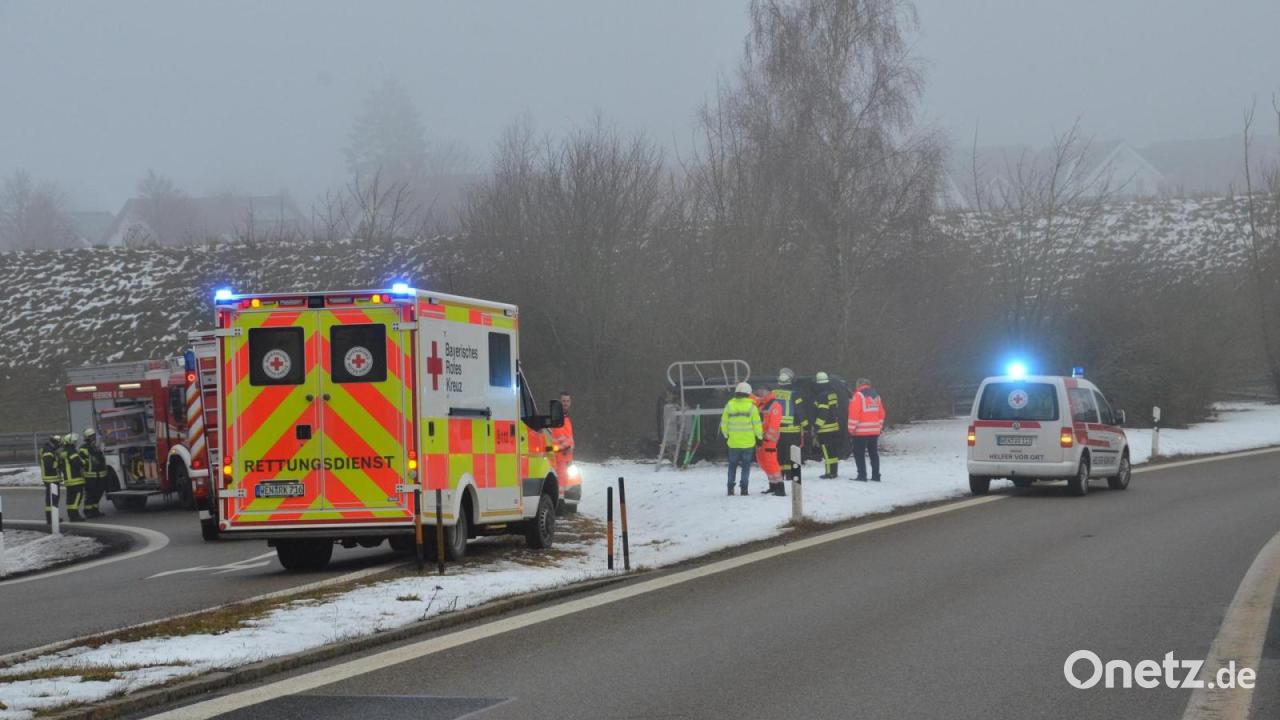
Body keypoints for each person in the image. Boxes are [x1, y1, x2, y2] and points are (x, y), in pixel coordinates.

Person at [720, 382, 762, 496]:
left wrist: (726, 435)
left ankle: (730, 488)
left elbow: (724, 423)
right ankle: (744, 489)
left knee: (732, 466)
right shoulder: (752, 407)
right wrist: (759, 437)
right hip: (748, 442)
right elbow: (757, 424)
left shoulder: (729, 405)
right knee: (746, 466)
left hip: (733, 442)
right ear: (748, 393)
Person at [847, 378, 886, 482]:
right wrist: (879, 426)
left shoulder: (858, 396)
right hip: (874, 431)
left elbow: (854, 414)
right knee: (873, 453)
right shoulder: (877, 396)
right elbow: (881, 413)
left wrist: (851, 429)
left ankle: (862, 475)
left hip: (861, 432)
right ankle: (876, 475)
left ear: (859, 385)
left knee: (859, 454)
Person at [773, 368, 808, 479]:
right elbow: (800, 410)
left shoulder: (773, 394)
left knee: (780, 454)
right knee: (793, 454)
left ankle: (780, 475)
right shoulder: (795, 395)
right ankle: (794, 476)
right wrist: (806, 424)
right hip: (792, 430)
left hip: (777, 430)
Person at [753, 385, 785, 496]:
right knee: (763, 462)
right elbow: (752, 399)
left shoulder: (774, 405)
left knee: (771, 462)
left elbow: (774, 425)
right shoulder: (761, 404)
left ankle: (780, 488)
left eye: (763, 390)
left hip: (768, 439)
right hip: (761, 439)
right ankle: (773, 486)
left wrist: (767, 437)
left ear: (769, 391)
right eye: (759, 390)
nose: (760, 392)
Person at [812, 372, 844, 479]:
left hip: (825, 429)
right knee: (833, 451)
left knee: (826, 452)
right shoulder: (832, 393)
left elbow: (823, 413)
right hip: (834, 426)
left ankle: (829, 473)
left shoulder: (821, 396)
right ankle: (834, 472)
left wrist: (816, 426)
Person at [59, 433, 87, 521]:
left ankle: (71, 515)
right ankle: (75, 515)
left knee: (70, 498)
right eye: (74, 441)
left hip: (68, 479)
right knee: (78, 496)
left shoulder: (64, 452)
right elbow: (78, 463)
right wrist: (85, 461)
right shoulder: (72, 451)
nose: (75, 443)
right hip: (75, 478)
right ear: (70, 442)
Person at [80, 428, 107, 518]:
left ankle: (95, 510)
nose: (94, 438)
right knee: (90, 494)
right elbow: (83, 460)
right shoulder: (83, 448)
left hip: (100, 474)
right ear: (88, 438)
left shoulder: (96, 447)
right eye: (92, 436)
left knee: (98, 492)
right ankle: (88, 511)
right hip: (90, 475)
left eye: (94, 436)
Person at [550, 390, 575, 482]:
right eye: (564, 401)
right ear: (559, 402)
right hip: (558, 458)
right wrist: (566, 446)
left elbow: (569, 437)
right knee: (560, 488)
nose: (566, 403)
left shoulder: (567, 418)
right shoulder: (556, 418)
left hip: (567, 459)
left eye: (568, 401)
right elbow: (557, 435)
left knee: (568, 487)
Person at [40, 435, 62, 526]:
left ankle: (54, 517)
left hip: (53, 478)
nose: (58, 447)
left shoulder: (50, 450)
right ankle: (51, 519)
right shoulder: (48, 451)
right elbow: (49, 465)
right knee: (51, 500)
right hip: (50, 479)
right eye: (58, 444)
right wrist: (59, 462)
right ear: (54, 443)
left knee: (54, 499)